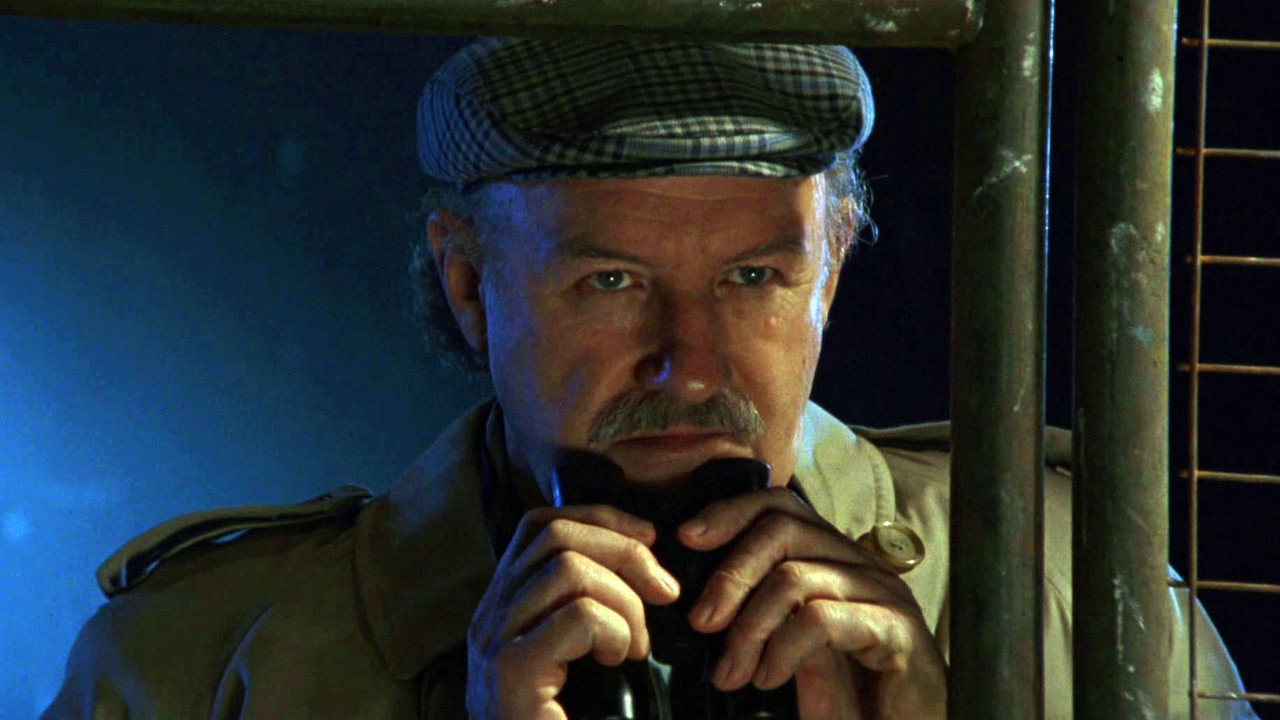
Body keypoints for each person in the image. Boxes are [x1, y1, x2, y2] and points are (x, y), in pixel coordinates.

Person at [43, 38, 1256, 720]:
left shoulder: (1076, 599)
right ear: (467, 284)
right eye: (611, 280)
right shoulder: (191, 659)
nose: (693, 362)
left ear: (830, 267)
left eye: (753, 278)